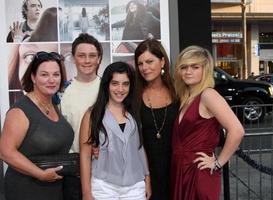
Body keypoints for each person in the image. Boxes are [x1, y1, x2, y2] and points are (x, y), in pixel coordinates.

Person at [171, 46, 244, 199]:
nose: (188, 71)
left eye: (195, 67)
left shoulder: (208, 95)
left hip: (199, 173)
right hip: (180, 170)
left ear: (206, 70)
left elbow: (237, 130)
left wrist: (218, 163)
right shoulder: (186, 97)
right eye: (184, 67)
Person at [0, 51, 74, 200]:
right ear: (33, 77)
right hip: (26, 190)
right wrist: (40, 174)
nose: (51, 80)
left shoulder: (52, 105)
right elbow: (5, 152)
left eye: (56, 75)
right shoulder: (20, 111)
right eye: (44, 75)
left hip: (54, 189)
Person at [80, 61, 151, 200]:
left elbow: (139, 149)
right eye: (115, 83)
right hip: (103, 186)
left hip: (135, 186)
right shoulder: (92, 115)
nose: (120, 89)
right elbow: (85, 155)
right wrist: (86, 192)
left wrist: (147, 180)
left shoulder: (134, 112)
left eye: (125, 84)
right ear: (106, 85)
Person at [59, 33, 103, 200]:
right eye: (81, 55)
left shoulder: (108, 89)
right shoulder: (61, 92)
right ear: (73, 58)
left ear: (99, 59)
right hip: (73, 171)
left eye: (92, 56)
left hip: (103, 168)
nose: (87, 61)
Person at [134, 38, 178, 199]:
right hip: (145, 170)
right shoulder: (134, 96)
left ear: (162, 61)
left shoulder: (178, 92)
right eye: (140, 64)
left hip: (176, 168)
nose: (144, 68)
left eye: (149, 61)